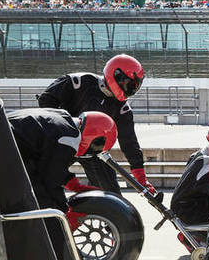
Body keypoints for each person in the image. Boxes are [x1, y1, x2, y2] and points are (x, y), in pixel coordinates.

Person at [7, 108, 119, 260]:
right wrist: (64, 211)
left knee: (46, 210)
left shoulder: (64, 120)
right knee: (52, 216)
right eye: (98, 146)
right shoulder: (69, 138)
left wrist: (69, 181)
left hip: (1, 148)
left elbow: (44, 156)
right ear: (93, 135)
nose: (94, 152)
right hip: (4, 155)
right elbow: (50, 183)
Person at [38, 54, 154, 195]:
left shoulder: (122, 109)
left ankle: (101, 210)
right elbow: (46, 100)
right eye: (129, 85)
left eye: (135, 87)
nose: (130, 91)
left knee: (111, 193)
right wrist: (63, 128)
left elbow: (129, 142)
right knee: (43, 182)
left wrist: (141, 178)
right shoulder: (78, 82)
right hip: (64, 142)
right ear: (116, 75)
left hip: (93, 149)